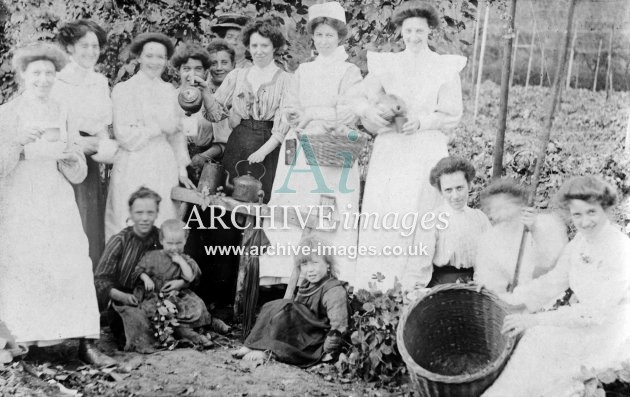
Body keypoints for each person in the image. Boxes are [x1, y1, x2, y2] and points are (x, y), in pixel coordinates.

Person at [0, 42, 114, 366]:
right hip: (19, 196)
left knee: (71, 260)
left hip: (54, 192)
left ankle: (84, 340)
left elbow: (77, 167)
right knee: (25, 265)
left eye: (49, 73)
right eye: (36, 73)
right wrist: (18, 144)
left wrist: (70, 159)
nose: (43, 80)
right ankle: (26, 340)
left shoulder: (63, 110)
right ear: (23, 74)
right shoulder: (7, 113)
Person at [352, 1, 466, 291]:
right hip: (392, 147)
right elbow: (361, 98)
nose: (413, 36)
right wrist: (373, 112)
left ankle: (411, 285)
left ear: (430, 31)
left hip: (426, 147)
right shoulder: (387, 64)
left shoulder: (443, 67)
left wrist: (423, 122)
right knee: (388, 207)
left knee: (419, 211)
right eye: (408, 30)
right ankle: (376, 285)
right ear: (400, 32)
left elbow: (451, 114)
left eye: (420, 30)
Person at [483, 176, 630, 396]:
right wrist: (509, 300)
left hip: (607, 333)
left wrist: (534, 320)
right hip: (581, 324)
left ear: (606, 210)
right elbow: (555, 280)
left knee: (540, 347)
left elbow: (596, 312)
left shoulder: (619, 248)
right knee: (532, 341)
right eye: (577, 214)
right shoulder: (580, 242)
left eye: (592, 212)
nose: (585, 222)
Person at [259, 1, 363, 286]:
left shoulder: (349, 71)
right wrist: (293, 114)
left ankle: (329, 278)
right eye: (319, 35)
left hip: (331, 144)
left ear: (339, 37)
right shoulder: (304, 70)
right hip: (300, 142)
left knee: (328, 208)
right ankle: (285, 274)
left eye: (330, 35)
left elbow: (350, 111)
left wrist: (314, 114)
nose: (324, 40)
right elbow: (291, 105)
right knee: (293, 204)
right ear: (313, 37)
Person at [105, 32, 194, 241]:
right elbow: (124, 135)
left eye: (160, 57)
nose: (155, 62)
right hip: (133, 162)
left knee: (161, 215)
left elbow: (177, 134)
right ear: (138, 57)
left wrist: (182, 169)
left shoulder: (169, 91)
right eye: (149, 56)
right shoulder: (124, 90)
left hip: (163, 163)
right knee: (128, 216)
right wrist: (158, 127)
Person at [202, 18, 292, 202]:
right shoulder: (237, 76)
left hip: (269, 147)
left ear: (274, 47)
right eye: (254, 45)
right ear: (248, 47)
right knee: (228, 197)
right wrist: (204, 92)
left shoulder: (286, 80)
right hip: (238, 143)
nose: (259, 51)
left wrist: (263, 151)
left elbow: (284, 124)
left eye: (264, 45)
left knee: (261, 200)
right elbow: (215, 114)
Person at [232, 235, 348, 367]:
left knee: (287, 308)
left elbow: (339, 327)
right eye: (304, 264)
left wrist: (326, 352)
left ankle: (267, 351)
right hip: (305, 332)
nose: (310, 269)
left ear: (328, 264)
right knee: (272, 307)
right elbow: (296, 311)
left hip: (316, 341)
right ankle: (252, 344)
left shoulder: (333, 290)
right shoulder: (307, 283)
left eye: (315, 263)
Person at [53, 19, 114, 268]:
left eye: (95, 46)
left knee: (89, 219)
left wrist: (104, 143)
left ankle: (92, 286)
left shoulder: (99, 82)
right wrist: (81, 143)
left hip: (90, 160)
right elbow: (57, 128)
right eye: (84, 45)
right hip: (63, 158)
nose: (91, 52)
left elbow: (101, 124)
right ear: (69, 47)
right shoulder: (57, 81)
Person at [404, 156, 491, 291]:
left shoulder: (480, 218)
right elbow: (419, 263)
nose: (455, 196)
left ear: (469, 185)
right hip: (442, 287)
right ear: (440, 192)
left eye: (460, 188)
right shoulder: (433, 220)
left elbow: (488, 259)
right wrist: (414, 288)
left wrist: (482, 281)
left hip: (474, 286)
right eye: (448, 190)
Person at [96, 187, 162, 352]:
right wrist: (123, 296)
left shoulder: (161, 237)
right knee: (135, 326)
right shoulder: (120, 241)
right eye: (139, 213)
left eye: (150, 213)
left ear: (156, 213)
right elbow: (100, 281)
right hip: (124, 300)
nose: (145, 218)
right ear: (131, 214)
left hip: (154, 297)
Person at [474, 178, 568, 294]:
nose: (501, 215)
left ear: (521, 205)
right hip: (518, 301)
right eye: (494, 210)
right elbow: (491, 277)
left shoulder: (545, 224)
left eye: (505, 208)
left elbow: (552, 263)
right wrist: (489, 286)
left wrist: (535, 230)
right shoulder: (490, 239)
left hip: (551, 295)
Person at [133, 219, 213, 347]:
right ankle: (171, 334)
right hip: (155, 296)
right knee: (151, 311)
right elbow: (138, 269)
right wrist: (145, 278)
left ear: (185, 240)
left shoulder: (185, 259)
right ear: (161, 241)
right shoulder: (152, 256)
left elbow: (190, 276)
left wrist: (180, 261)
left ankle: (198, 329)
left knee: (196, 305)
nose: (174, 247)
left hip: (177, 297)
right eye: (170, 243)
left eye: (179, 243)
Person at [170, 42, 215, 183]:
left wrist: (203, 156)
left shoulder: (211, 101)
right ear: (178, 71)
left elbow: (222, 140)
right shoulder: (169, 98)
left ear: (205, 72)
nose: (192, 74)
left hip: (206, 164)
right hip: (173, 164)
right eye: (186, 68)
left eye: (198, 69)